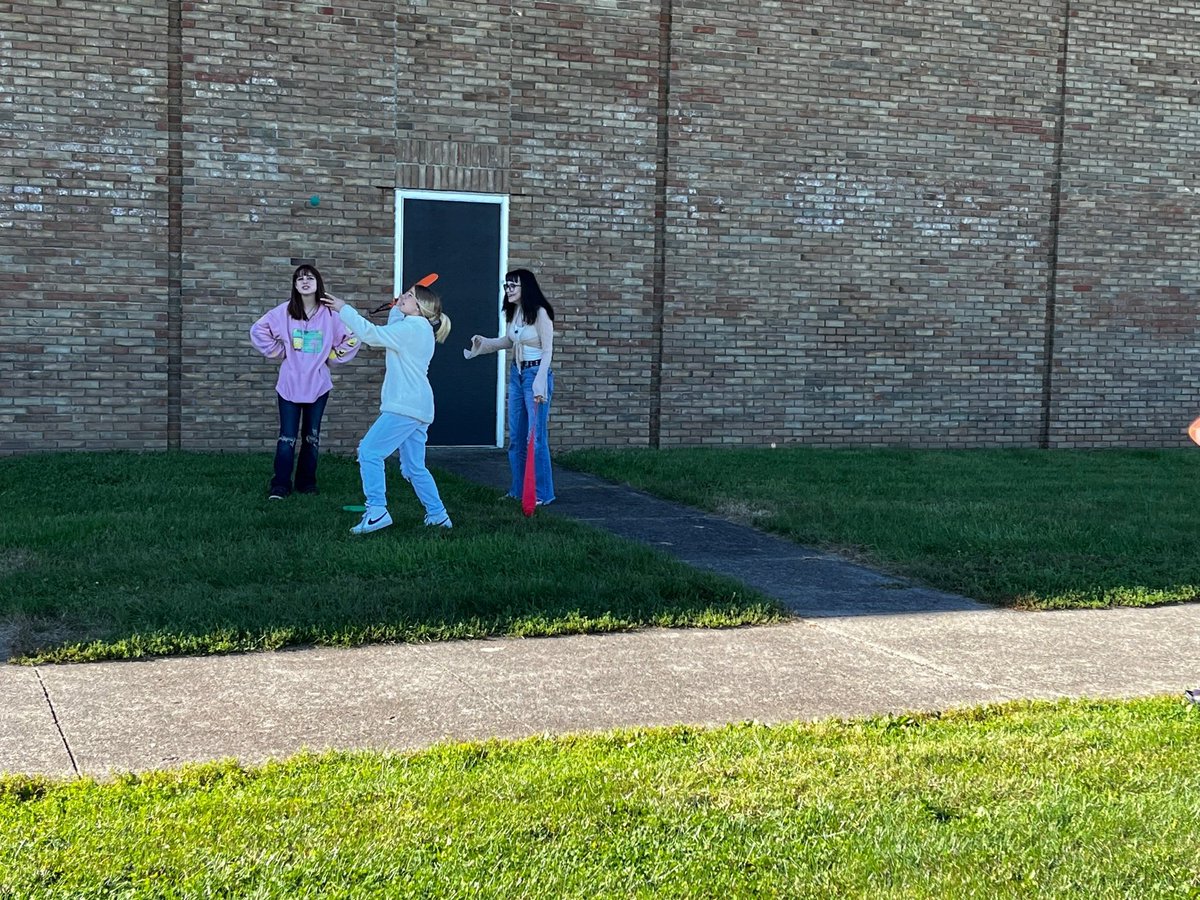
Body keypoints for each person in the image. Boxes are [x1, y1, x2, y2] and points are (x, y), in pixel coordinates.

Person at [322, 279, 453, 533]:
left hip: (404, 406)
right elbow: (393, 326)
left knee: (370, 452)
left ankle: (377, 511)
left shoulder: (412, 329)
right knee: (414, 467)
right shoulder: (416, 327)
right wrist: (396, 307)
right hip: (417, 406)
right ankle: (438, 515)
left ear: (419, 307)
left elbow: (372, 335)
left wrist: (343, 308)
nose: (403, 296)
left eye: (409, 295)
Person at [250, 264, 360, 500]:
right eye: (300, 279)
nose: (305, 282)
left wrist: (331, 359)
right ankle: (280, 485)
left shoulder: (331, 315)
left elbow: (353, 338)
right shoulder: (283, 312)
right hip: (289, 385)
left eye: (310, 278)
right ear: (295, 285)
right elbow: (258, 330)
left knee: (312, 437)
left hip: (318, 386)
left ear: (318, 283)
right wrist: (280, 352)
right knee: (286, 437)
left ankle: (307, 483)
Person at [463, 268, 557, 506]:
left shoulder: (541, 313)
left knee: (535, 438)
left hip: (536, 374)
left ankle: (543, 493)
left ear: (526, 287)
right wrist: (484, 344)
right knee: (516, 437)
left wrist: (540, 382)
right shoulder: (515, 313)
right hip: (517, 374)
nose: (508, 290)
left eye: (512, 286)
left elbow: (547, 350)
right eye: (506, 286)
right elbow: (509, 341)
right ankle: (518, 490)